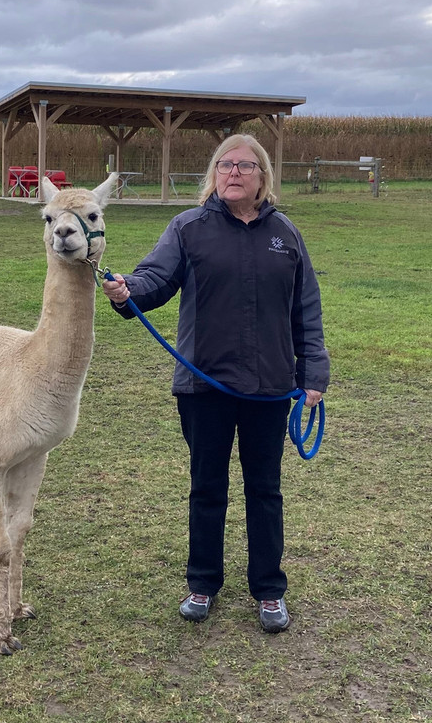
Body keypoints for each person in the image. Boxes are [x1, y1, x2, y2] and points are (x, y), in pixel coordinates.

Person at [101, 134, 329, 633]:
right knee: (207, 488)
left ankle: (269, 591)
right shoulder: (188, 228)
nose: (233, 173)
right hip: (204, 388)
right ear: (214, 174)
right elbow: (154, 280)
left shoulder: (285, 234)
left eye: (244, 166)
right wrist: (127, 291)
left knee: (264, 490)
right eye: (225, 165)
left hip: (270, 387)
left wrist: (313, 371)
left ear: (262, 177)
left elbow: (305, 308)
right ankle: (202, 584)